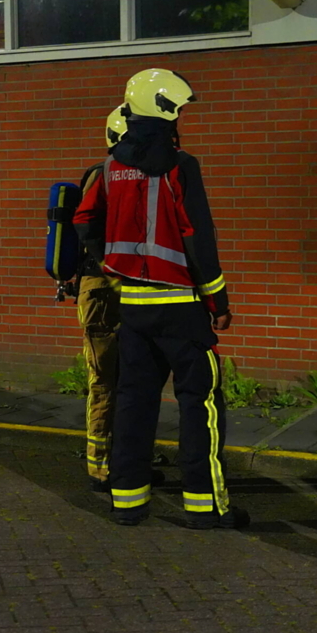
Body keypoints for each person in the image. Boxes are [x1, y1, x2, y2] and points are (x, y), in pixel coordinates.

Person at [73, 68, 247, 530]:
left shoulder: (110, 168)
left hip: (132, 308)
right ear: (166, 110)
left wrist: (112, 262)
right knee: (200, 404)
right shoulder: (180, 166)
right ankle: (204, 507)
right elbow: (198, 237)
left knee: (133, 402)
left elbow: (84, 221)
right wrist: (219, 302)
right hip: (181, 308)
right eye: (180, 110)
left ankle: (127, 502)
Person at [73, 106, 127, 492]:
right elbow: (85, 223)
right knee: (105, 380)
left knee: (128, 379)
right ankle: (100, 467)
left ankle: (123, 461)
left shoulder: (128, 174)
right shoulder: (105, 173)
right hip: (102, 290)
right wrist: (110, 265)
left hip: (121, 289)